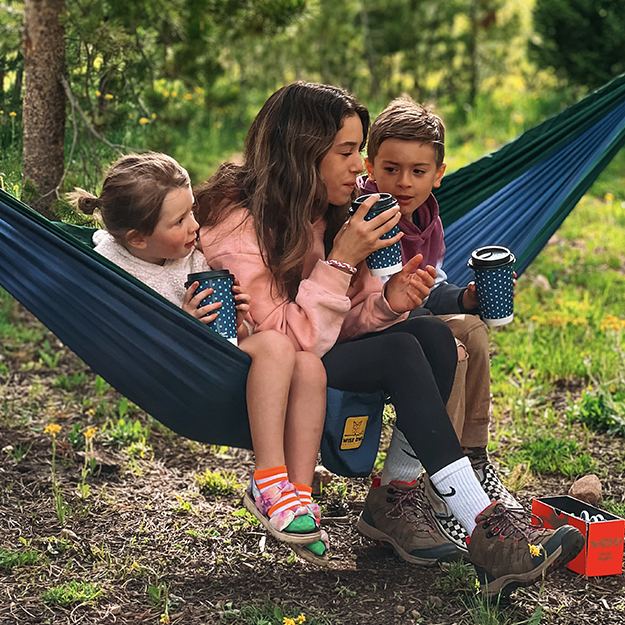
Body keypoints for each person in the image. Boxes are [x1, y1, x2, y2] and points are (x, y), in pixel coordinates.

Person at [195, 82, 583, 595]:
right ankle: (485, 528)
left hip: (317, 350)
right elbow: (290, 342)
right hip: (272, 368)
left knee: (430, 334)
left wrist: (387, 302)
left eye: (359, 150)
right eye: (347, 151)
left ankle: (395, 500)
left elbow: (343, 322)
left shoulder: (328, 208)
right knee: (404, 347)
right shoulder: (238, 223)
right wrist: (340, 260)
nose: (361, 168)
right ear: (302, 153)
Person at [67, 152, 329, 561]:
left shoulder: (190, 253)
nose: (195, 226)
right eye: (179, 221)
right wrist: (183, 321)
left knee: (309, 367)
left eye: (192, 212)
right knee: (278, 345)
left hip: (216, 360)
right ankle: (269, 481)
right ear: (138, 238)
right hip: (181, 372)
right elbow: (132, 341)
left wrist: (239, 317)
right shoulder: (112, 270)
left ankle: (296, 496)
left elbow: (232, 336)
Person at [356, 96, 522, 560]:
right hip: (368, 327)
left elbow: (431, 288)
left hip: (410, 318)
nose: (403, 183)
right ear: (370, 166)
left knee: (473, 328)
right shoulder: (363, 213)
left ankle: (472, 458)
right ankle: (423, 484)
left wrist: (466, 299)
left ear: (439, 173)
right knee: (454, 346)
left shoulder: (427, 219)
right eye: (390, 169)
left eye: (418, 172)